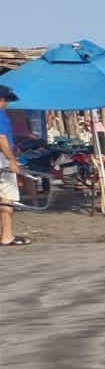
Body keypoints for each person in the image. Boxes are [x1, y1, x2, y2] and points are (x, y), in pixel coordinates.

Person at [0, 84, 30, 247]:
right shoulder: (1, 115)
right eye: (6, 101)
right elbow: (2, 139)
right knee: (7, 196)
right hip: (1, 159)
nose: (7, 105)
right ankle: (6, 236)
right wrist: (11, 160)